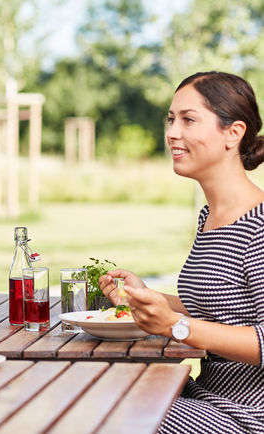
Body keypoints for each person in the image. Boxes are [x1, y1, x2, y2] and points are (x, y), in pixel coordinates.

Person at [100, 71, 264, 433]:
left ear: (233, 133)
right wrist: (147, 297)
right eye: (171, 119)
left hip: (249, 415)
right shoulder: (211, 216)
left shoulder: (260, 224)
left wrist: (176, 326)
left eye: (189, 119)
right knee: (91, 386)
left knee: (104, 410)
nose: (172, 132)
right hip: (208, 396)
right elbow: (227, 309)